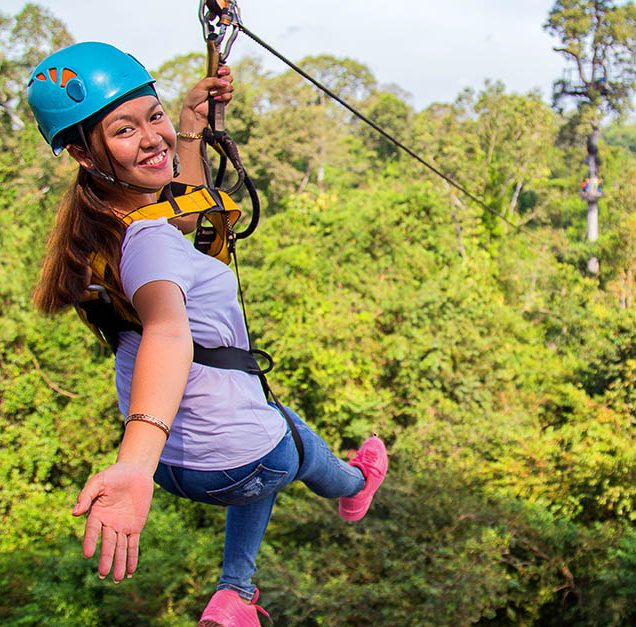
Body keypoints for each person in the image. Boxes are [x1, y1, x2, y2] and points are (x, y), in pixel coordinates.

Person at [27, 41, 388, 626]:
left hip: (177, 464)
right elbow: (169, 334)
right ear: (80, 152)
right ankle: (354, 484)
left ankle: (236, 595)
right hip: (199, 462)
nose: (152, 137)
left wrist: (192, 128)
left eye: (155, 115)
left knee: (264, 430)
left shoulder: (103, 227)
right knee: (282, 444)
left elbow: (185, 213)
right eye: (124, 130)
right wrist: (133, 466)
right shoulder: (149, 241)